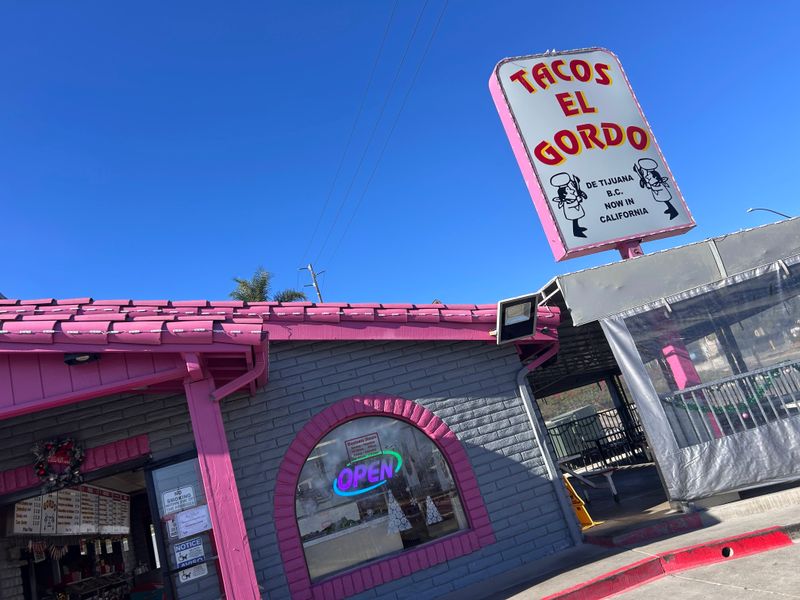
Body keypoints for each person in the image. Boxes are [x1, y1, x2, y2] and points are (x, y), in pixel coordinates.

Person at [550, 172, 588, 238]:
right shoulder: (567, 200)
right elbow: (570, 204)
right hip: (572, 212)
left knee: (575, 220)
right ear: (564, 194)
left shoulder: (570, 196)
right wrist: (577, 201)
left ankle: (577, 228)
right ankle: (576, 232)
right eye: (568, 189)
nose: (571, 190)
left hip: (575, 210)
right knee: (575, 220)